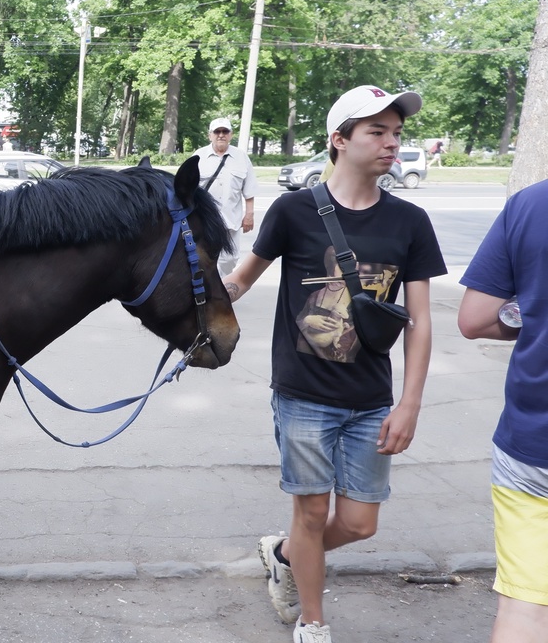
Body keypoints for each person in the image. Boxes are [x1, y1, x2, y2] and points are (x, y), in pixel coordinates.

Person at [222, 85, 447, 643]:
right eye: (377, 131)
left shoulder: (410, 222)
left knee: (358, 522)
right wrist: (184, 300)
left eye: (397, 133)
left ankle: (282, 554)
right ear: (339, 140)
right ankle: (312, 619)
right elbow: (241, 280)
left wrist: (409, 405)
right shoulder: (294, 211)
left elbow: (419, 321)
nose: (392, 143)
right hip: (302, 394)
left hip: (371, 400)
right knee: (308, 512)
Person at [457, 179, 548, 643]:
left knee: (525, 611)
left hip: (531, 448)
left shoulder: (531, 204)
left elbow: (474, 318)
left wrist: (528, 309)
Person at [191, 117, 258, 276]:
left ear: (231, 135)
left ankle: (219, 284)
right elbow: (187, 187)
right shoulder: (198, 156)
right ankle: (212, 292)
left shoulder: (241, 157)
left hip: (231, 220)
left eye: (225, 131)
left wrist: (249, 214)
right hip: (204, 219)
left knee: (230, 259)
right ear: (210, 135)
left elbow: (249, 189)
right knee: (203, 257)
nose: (221, 135)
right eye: (217, 131)